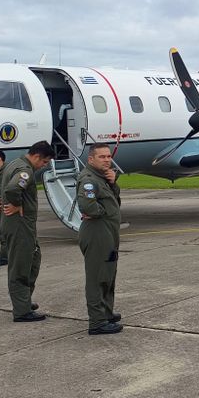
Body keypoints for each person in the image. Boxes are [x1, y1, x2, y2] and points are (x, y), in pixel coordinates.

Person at [2, 141, 55, 322]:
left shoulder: (15, 163)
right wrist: (17, 205)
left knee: (33, 260)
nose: (44, 166)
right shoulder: (25, 170)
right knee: (21, 266)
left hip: (23, 226)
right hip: (20, 226)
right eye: (45, 162)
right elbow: (12, 189)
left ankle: (23, 301)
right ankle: (22, 311)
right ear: (37, 157)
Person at [76, 144, 123, 336]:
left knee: (108, 274)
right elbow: (86, 205)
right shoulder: (89, 179)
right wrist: (101, 213)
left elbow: (115, 201)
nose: (106, 160)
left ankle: (106, 312)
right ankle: (97, 322)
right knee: (97, 278)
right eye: (101, 157)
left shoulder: (103, 178)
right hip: (97, 232)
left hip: (108, 232)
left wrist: (113, 184)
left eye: (108, 156)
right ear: (91, 159)